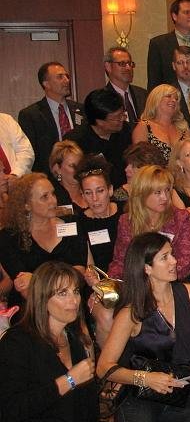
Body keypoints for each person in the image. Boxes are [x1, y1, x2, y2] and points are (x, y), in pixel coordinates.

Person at [0, 262, 153, 422]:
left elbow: (85, 406)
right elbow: (11, 410)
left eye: (75, 291)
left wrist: (102, 394)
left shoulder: (72, 338)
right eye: (62, 293)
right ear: (42, 298)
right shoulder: (17, 343)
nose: (73, 300)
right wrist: (69, 380)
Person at [96, 232, 190, 422]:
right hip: (140, 394)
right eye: (165, 257)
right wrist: (146, 378)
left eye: (172, 254)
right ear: (147, 268)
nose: (174, 261)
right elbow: (103, 367)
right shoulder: (131, 312)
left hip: (178, 393)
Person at [0, 173, 88, 315]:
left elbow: (79, 273)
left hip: (72, 302)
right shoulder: (8, 237)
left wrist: (35, 279)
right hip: (32, 309)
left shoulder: (72, 223)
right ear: (27, 205)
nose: (53, 201)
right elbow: (25, 288)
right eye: (44, 197)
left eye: (53, 194)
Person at [108, 165, 190, 283]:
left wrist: (152, 279)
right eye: (158, 192)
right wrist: (110, 284)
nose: (165, 197)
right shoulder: (126, 221)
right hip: (141, 283)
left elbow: (186, 262)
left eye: (167, 190)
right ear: (142, 194)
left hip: (179, 280)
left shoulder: (181, 218)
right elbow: (121, 261)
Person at [77, 156, 124, 347]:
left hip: (127, 277)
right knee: (106, 316)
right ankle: (110, 363)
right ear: (82, 195)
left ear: (110, 190)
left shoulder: (125, 214)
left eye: (100, 191)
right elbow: (89, 265)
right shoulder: (80, 222)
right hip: (99, 283)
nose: (95, 199)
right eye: (88, 193)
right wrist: (95, 286)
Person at [131, 84, 189, 163]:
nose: (174, 100)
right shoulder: (144, 126)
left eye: (176, 99)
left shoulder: (183, 127)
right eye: (168, 96)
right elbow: (139, 161)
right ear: (156, 99)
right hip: (154, 170)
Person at [49, 140, 87, 212]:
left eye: (80, 164)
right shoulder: (53, 199)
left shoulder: (91, 191)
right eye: (72, 165)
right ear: (57, 168)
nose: (78, 169)